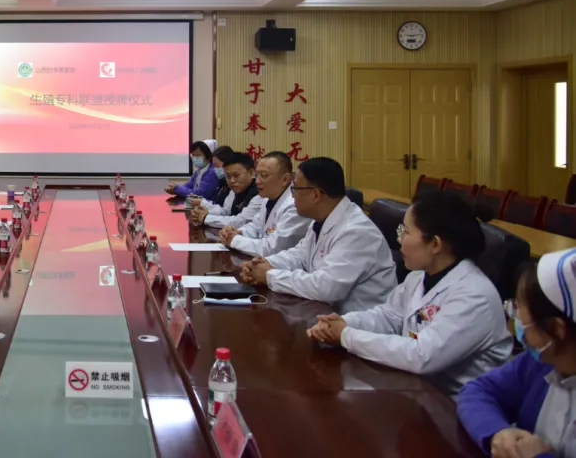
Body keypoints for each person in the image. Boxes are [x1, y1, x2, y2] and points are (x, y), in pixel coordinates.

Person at [307, 190, 511, 397]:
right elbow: (388, 317)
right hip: (418, 391)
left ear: (435, 244)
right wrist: (343, 323)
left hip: (458, 406)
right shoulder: (419, 276)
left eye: (405, 231)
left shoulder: (474, 296)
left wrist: (346, 335)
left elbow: (422, 355)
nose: (399, 240)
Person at [458, 249, 576, 458]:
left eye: (519, 308)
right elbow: (478, 391)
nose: (516, 317)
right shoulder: (540, 362)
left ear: (555, 329)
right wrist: (498, 432)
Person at [240, 157, 395, 314]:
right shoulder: (322, 218)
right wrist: (263, 264)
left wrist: (270, 276)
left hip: (355, 322)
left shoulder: (357, 231)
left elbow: (326, 287)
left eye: (295, 189)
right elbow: (299, 256)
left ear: (315, 194)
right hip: (323, 313)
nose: (292, 196)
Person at [218, 151, 312, 257]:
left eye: (263, 175)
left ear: (285, 179)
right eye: (257, 175)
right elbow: (255, 227)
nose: (257, 181)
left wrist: (234, 240)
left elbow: (272, 248)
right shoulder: (268, 199)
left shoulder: (295, 205)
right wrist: (237, 232)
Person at [190, 151, 264, 230]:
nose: (232, 181)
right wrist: (205, 212)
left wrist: (206, 217)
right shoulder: (234, 190)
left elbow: (240, 222)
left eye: (236, 175)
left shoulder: (260, 193)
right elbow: (225, 212)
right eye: (228, 176)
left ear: (252, 173)